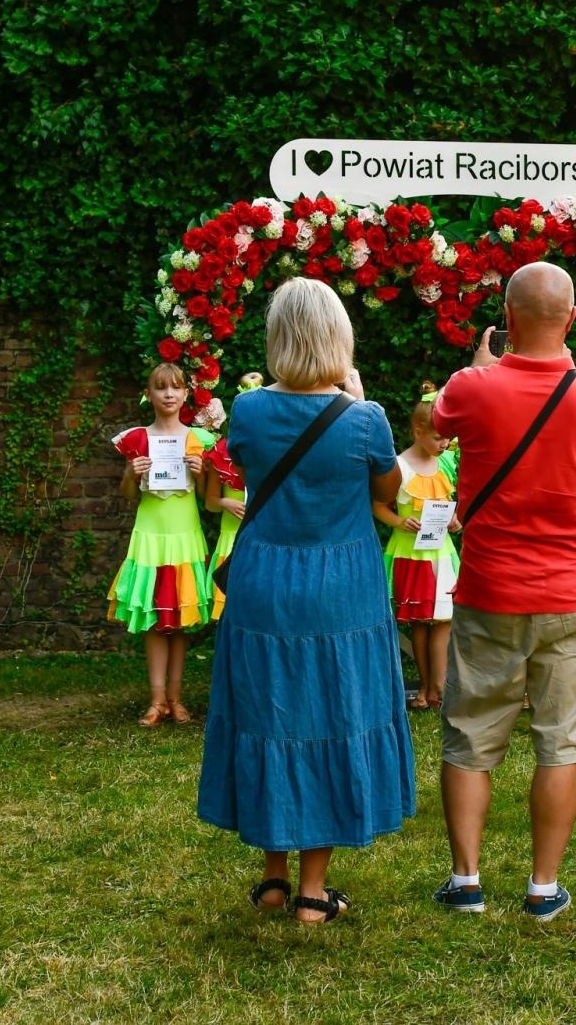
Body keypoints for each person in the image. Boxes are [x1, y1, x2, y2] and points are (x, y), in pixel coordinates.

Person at [197, 277, 414, 924]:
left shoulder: (250, 411)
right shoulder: (365, 420)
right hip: (340, 591)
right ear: (338, 337)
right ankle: (314, 890)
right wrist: (358, 399)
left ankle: (271, 876)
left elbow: (246, 465)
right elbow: (393, 487)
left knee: (268, 713)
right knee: (330, 717)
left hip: (265, 583)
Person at [429, 261, 576, 921]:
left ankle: (467, 880)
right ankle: (543, 886)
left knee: (469, 737)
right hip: (574, 591)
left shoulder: (470, 387)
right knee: (562, 743)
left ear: (506, 317)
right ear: (570, 319)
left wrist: (483, 365)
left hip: (489, 590)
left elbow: (443, 421)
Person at [108, 363, 211, 726]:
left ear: (185, 394)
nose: (168, 394)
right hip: (151, 535)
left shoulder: (199, 440)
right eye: (160, 388)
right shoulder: (136, 438)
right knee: (155, 620)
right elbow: (127, 495)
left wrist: (201, 476)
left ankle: (177, 698)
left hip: (184, 534)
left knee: (179, 620)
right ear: (148, 394)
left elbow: (207, 499)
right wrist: (130, 474)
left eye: (176, 388)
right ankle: (156, 701)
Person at [373, 380, 461, 710]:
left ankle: (435, 687)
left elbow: (452, 503)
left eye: (448, 437)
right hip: (411, 553)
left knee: (442, 617)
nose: (444, 443)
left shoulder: (447, 462)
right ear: (417, 431)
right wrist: (400, 521)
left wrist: (455, 520)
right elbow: (378, 505)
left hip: (441, 553)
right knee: (424, 621)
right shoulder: (399, 465)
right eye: (438, 437)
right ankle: (430, 687)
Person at [203, 371, 263, 621]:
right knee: (229, 614)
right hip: (231, 540)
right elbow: (210, 503)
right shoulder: (221, 452)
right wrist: (225, 502)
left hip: (264, 538)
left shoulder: (275, 447)